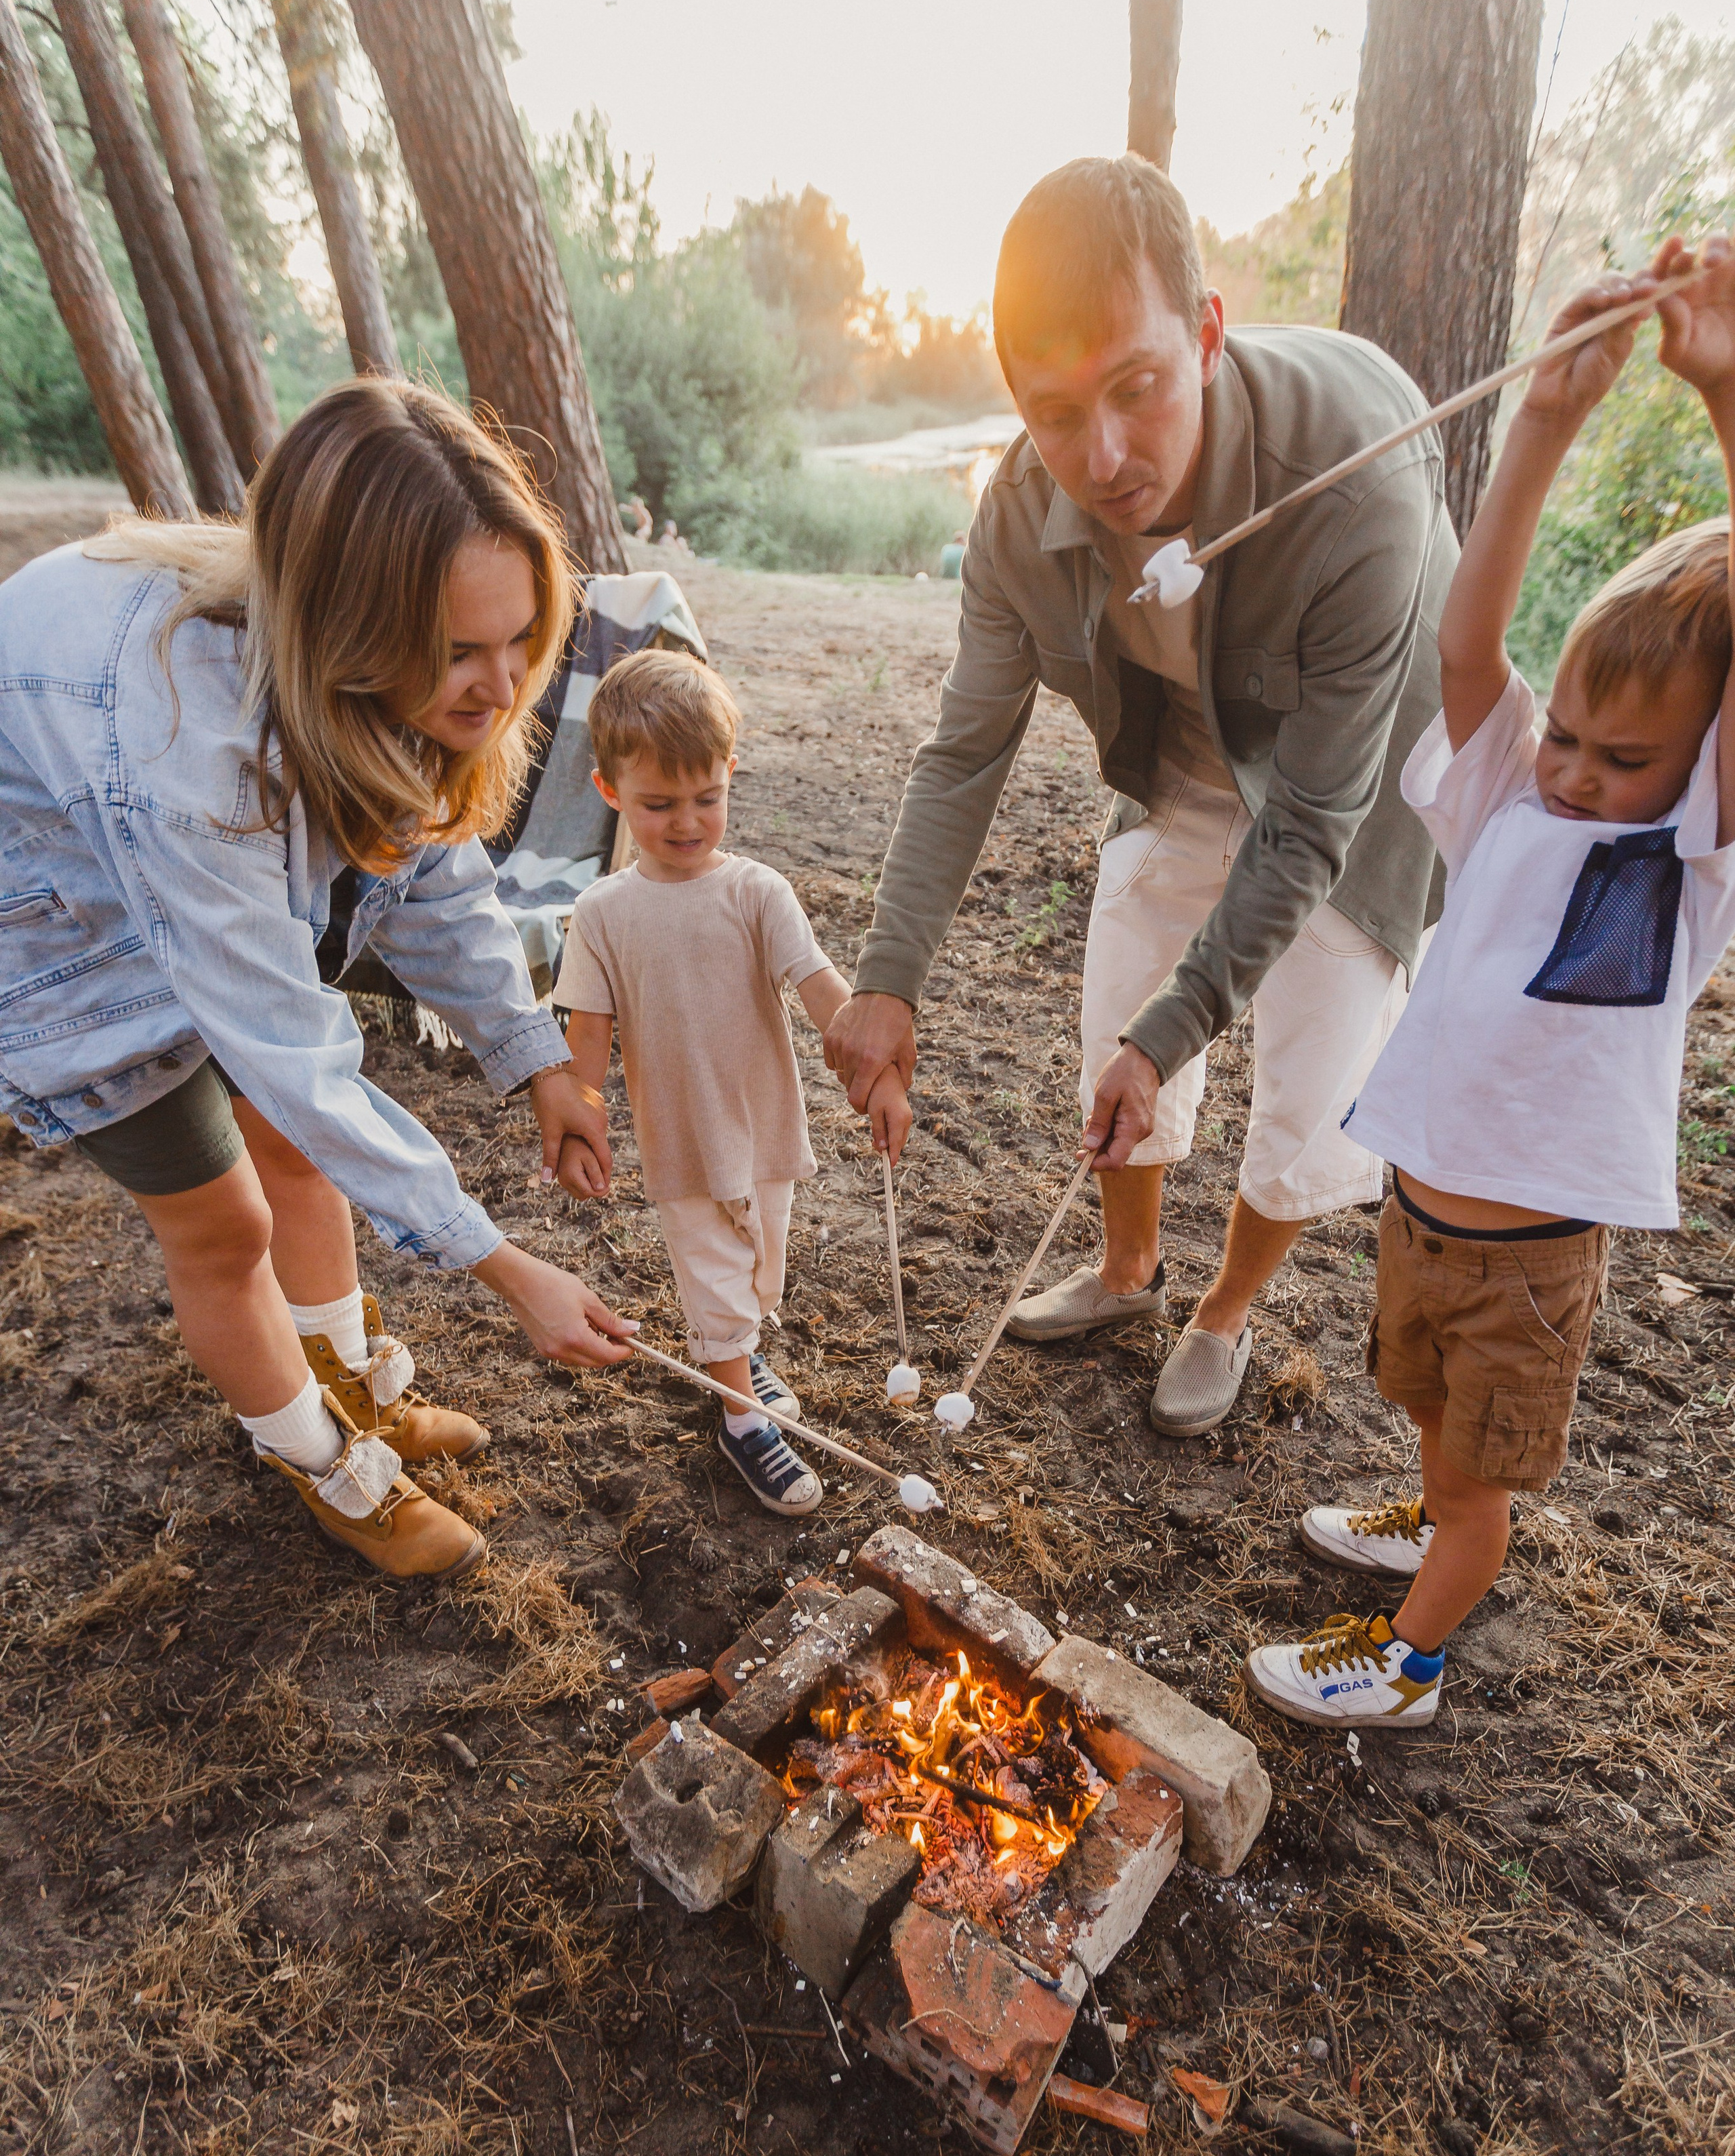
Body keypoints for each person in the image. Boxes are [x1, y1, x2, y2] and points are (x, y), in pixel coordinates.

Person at [825, 155, 1456, 1438]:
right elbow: (965, 751)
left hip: (1361, 780)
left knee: (1310, 1068)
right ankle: (1126, 1272)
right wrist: (887, 979)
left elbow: (1315, 821)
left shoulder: (1356, 482)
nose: (1103, 456)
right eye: (1055, 412)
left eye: (1139, 388)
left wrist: (1182, 1031)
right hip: (1191, 749)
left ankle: (1223, 1310)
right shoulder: (1017, 515)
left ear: (1208, 333)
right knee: (1124, 986)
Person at [0, 378, 632, 1583]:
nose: (500, 691)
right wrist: (501, 1266)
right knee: (222, 1220)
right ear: (351, 622)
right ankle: (315, 1461)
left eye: (520, 643)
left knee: (290, 1155)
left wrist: (534, 1055)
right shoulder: (193, 750)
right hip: (52, 912)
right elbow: (295, 1056)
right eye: (460, 654)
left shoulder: (383, 682)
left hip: (180, 867)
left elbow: (437, 878)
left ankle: (351, 1384)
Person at [1244, 237, 1735, 1728]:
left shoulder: (1689, 855)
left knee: (1478, 1483)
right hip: (1421, 1217)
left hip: (1530, 1262)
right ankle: (1432, 1514)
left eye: (1622, 757)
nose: (1581, 773)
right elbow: (1465, 638)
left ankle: (1409, 1661)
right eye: (1572, 735)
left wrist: (1719, 391)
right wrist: (1544, 418)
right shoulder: (1509, 796)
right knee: (1426, 1424)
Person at [552, 649, 908, 1515]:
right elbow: (588, 1029)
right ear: (610, 794)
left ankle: (738, 1350)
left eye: (705, 798)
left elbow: (821, 988)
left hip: (765, 1123)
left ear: (729, 777)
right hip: (681, 1134)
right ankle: (741, 1417)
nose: (684, 822)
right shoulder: (602, 912)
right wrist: (580, 1120)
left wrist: (875, 1072)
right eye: (657, 805)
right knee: (712, 1273)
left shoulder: (758, 892)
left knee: (756, 1268)